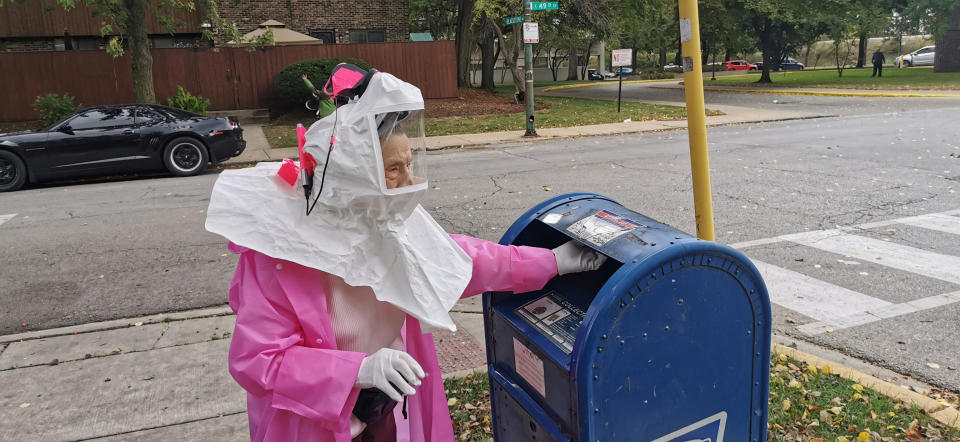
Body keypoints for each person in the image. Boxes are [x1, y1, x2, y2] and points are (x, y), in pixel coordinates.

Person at [205, 68, 606, 442]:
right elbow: (257, 361)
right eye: (394, 169)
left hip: (388, 411)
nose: (410, 181)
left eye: (409, 164)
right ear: (351, 173)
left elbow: (461, 260)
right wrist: (356, 371)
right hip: (315, 423)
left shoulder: (381, 222)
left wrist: (554, 261)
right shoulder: (278, 254)